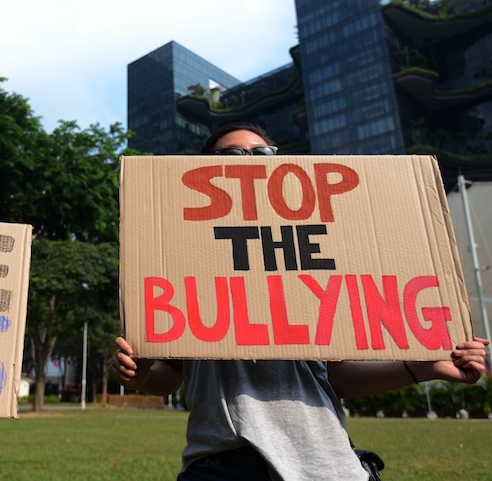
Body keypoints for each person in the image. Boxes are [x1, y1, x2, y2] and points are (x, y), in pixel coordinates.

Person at [109, 122, 490, 481]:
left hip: (328, 461)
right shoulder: (184, 262)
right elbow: (171, 377)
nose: (250, 162)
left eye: (261, 153)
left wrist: (426, 367)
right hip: (223, 463)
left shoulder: (318, 265)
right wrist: (138, 373)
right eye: (232, 155)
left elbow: (335, 375)